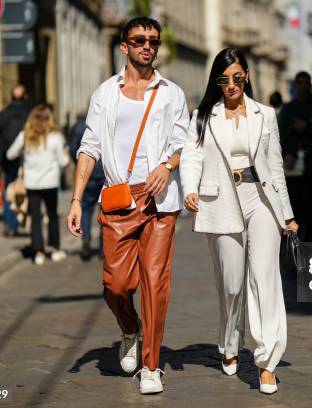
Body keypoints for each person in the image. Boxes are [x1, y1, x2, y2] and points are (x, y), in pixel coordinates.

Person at [66, 17, 189, 395]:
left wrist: (167, 166)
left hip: (160, 201)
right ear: (125, 46)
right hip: (119, 199)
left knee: (155, 283)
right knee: (116, 286)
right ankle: (129, 328)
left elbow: (186, 142)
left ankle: (151, 367)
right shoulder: (106, 93)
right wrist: (75, 199)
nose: (147, 45)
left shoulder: (172, 93)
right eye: (138, 40)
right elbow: (89, 147)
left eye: (152, 40)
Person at [180, 48, 298, 395]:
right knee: (231, 285)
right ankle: (230, 342)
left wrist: (286, 214)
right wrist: (190, 190)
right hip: (220, 202)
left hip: (260, 200)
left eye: (237, 77)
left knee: (265, 279)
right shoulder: (203, 115)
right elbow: (191, 156)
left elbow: (275, 168)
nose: (231, 84)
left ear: (246, 75)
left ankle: (266, 362)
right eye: (223, 79)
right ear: (216, 81)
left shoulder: (266, 114)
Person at [6, 105, 70, 265]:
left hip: (32, 183)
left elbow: (10, 154)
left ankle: (39, 252)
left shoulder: (25, 136)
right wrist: (67, 156)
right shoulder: (56, 137)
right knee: (52, 215)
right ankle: (55, 249)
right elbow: (63, 162)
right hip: (50, 183)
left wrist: (24, 154)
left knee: (35, 218)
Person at [277, 71, 312, 242]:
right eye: (299, 83)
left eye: (306, 82)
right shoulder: (287, 110)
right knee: (294, 209)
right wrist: (286, 154)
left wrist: (308, 127)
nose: (302, 86)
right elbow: (277, 138)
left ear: (310, 85)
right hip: (293, 170)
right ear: (295, 85)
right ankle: (295, 246)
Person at [0, 84, 31, 237]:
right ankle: (19, 221)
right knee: (25, 191)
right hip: (26, 159)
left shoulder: (2, 115)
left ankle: (10, 224)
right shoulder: (30, 114)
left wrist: (0, 158)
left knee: (10, 190)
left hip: (8, 158)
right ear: (25, 97)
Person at [69, 112, 106, 260]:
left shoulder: (79, 125)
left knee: (86, 209)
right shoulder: (106, 120)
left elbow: (74, 149)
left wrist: (79, 165)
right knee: (106, 212)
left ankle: (86, 238)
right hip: (105, 173)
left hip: (88, 174)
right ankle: (104, 247)